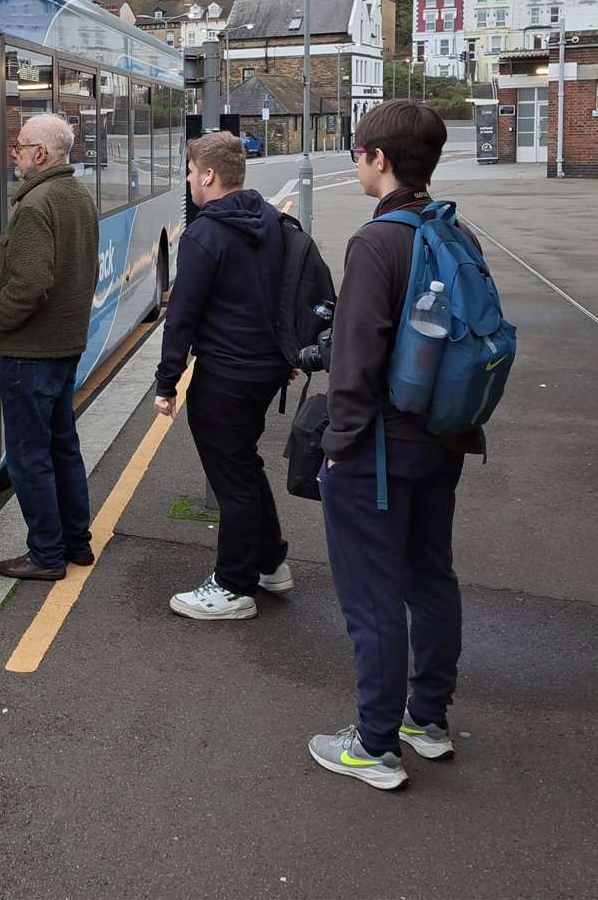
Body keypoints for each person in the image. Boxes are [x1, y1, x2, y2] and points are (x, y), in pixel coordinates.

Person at [308, 100, 482, 791]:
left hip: (377, 449)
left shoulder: (377, 241)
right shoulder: (453, 229)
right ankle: (426, 721)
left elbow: (354, 361)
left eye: (357, 152)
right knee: (430, 577)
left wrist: (337, 446)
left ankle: (374, 746)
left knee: (372, 596)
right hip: (443, 435)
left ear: (378, 159)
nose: (355, 162)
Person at [153, 131, 292, 619]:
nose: (189, 180)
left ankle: (234, 587)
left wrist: (167, 382)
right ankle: (271, 560)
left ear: (208, 175)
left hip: (226, 374)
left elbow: (182, 317)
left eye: (191, 172)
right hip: (268, 369)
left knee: (231, 477)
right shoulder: (273, 220)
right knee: (244, 465)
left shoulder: (204, 234)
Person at [0, 113, 100, 581]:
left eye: (19, 145)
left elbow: (31, 283)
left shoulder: (36, 204)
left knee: (30, 457)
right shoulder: (78, 195)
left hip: (29, 351)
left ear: (41, 154)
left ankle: (46, 555)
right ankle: (77, 544)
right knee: (63, 448)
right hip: (65, 344)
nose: (14, 153)